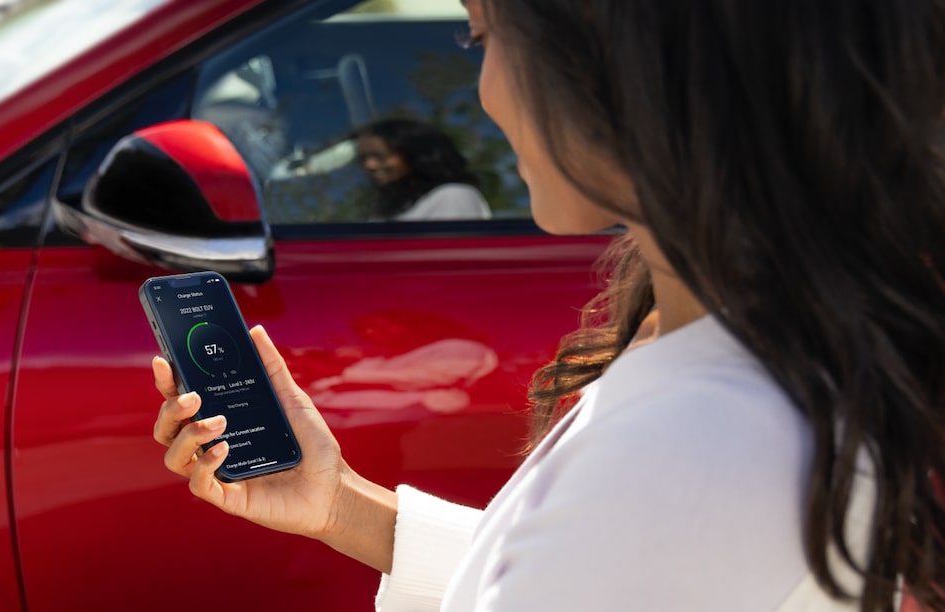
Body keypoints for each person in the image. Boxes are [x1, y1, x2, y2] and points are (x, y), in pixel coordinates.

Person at [152, 0, 945, 610]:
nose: (485, 94)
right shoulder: (754, 362)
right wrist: (343, 506)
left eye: (481, 37)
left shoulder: (701, 434)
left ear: (618, 58)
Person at [353, 118, 491, 221]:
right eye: (363, 159)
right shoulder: (390, 209)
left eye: (380, 156)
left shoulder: (453, 195)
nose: (369, 165)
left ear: (414, 154)